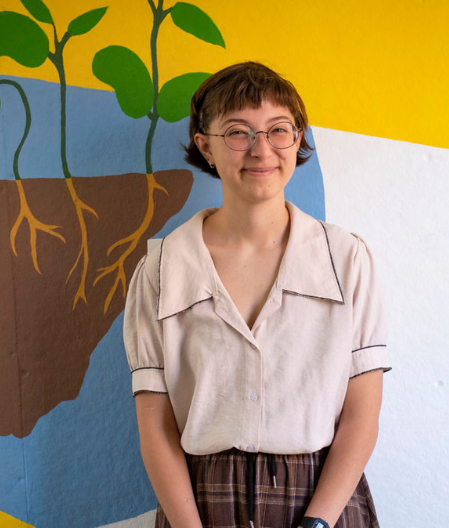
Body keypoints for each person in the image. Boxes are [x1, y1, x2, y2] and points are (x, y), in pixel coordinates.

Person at [124, 62, 390, 528]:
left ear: (297, 138)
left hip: (324, 499)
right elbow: (156, 426)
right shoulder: (162, 269)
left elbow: (361, 416)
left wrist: (317, 523)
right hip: (200, 504)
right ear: (205, 145)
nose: (261, 149)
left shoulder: (347, 258)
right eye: (238, 132)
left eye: (278, 130)